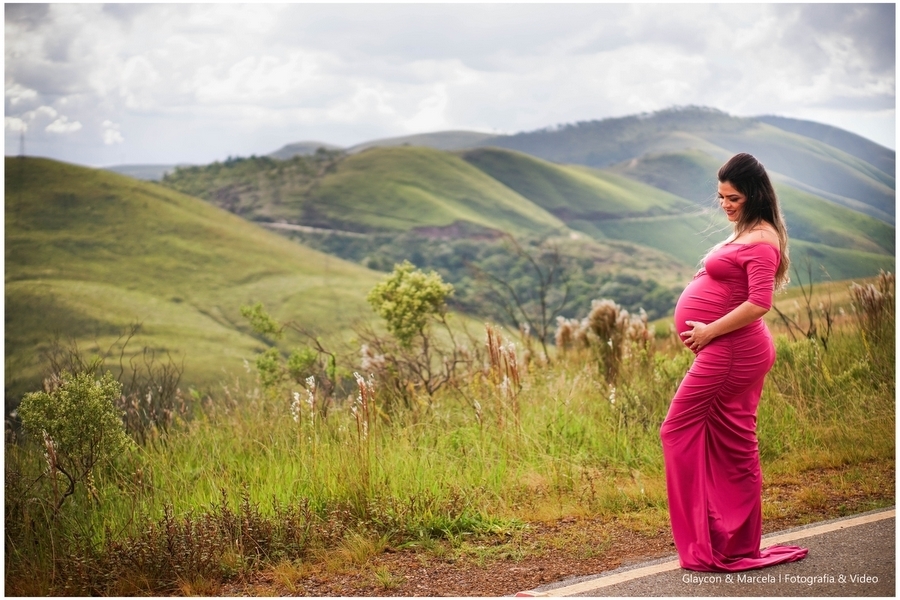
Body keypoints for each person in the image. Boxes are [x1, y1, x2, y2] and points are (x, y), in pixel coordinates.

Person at [659, 153, 808, 572]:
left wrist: (708, 331)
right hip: (730, 349)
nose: (725, 204)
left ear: (754, 196)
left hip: (733, 351)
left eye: (734, 198)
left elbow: (760, 302)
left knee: (678, 430)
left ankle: (714, 539)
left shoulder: (761, 240)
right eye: (721, 196)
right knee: (731, 443)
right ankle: (731, 540)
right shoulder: (749, 231)